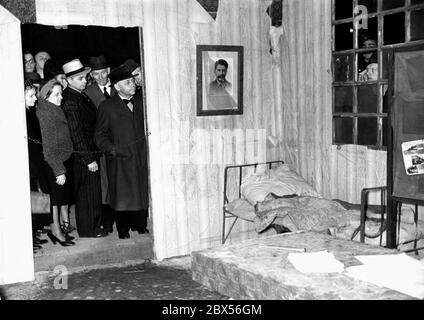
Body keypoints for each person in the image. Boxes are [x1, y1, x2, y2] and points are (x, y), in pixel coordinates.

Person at [95, 65, 149, 239]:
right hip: (120, 159)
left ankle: (140, 225)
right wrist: (111, 150)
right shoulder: (107, 106)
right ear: (117, 87)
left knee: (141, 192)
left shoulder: (143, 101)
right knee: (122, 195)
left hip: (141, 156)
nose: (132, 85)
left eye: (133, 81)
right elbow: (99, 135)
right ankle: (123, 229)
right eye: (127, 83)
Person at [61, 59, 107, 238]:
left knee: (91, 192)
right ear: (69, 80)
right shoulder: (71, 100)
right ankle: (89, 229)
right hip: (83, 155)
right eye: (80, 78)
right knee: (87, 194)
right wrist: (89, 159)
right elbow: (76, 133)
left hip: (88, 151)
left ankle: (93, 226)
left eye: (85, 77)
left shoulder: (78, 94)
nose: (85, 81)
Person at [37, 80, 75, 246]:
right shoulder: (45, 113)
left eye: (61, 93)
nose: (61, 97)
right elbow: (49, 146)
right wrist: (58, 170)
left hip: (62, 159)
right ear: (46, 96)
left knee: (59, 198)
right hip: (54, 162)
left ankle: (59, 229)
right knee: (54, 200)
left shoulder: (54, 108)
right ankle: (56, 231)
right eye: (56, 94)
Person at [84, 55, 116, 233]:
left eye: (103, 72)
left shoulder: (120, 87)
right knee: (105, 185)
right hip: (101, 146)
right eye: (96, 74)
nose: (101, 77)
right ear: (92, 75)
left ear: (108, 71)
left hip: (120, 143)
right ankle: (108, 222)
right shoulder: (88, 93)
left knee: (121, 181)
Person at [24, 79, 51, 252]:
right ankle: (28, 239)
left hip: (35, 164)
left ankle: (32, 236)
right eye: (32, 95)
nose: (35, 98)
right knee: (28, 202)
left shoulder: (30, 113)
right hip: (29, 166)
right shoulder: (22, 115)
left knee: (33, 202)